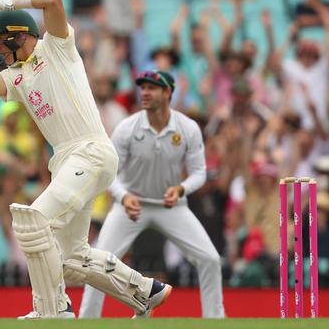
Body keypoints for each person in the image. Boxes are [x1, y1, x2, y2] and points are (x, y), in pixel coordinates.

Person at [0, 0, 172, 319]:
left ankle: (52, 309)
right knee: (70, 259)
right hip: (67, 160)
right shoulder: (16, 77)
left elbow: (53, 0)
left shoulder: (55, 47)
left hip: (90, 150)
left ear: (17, 35)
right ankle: (144, 291)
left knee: (33, 222)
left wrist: (6, 1)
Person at [79, 70, 225, 318]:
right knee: (98, 264)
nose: (144, 93)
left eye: (152, 88)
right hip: (130, 207)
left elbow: (199, 172)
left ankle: (215, 320)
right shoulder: (127, 127)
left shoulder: (187, 128)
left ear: (167, 93)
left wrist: (182, 189)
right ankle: (87, 320)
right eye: (143, 88)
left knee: (210, 259)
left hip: (172, 207)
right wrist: (124, 196)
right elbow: (108, 173)